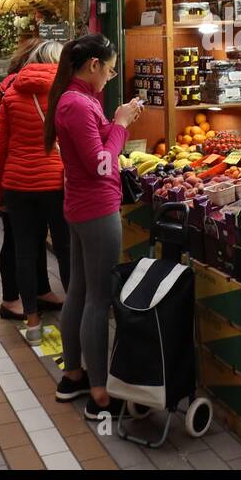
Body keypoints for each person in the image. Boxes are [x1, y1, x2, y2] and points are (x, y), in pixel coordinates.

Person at [46, 34, 142, 419]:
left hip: (80, 205)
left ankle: (74, 375)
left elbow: (96, 147)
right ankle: (100, 396)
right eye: (110, 67)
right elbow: (102, 163)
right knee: (97, 299)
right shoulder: (77, 104)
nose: (111, 74)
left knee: (81, 292)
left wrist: (120, 120)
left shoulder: (77, 100)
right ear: (93, 66)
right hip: (96, 208)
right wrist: (118, 125)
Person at [0, 40, 72, 339]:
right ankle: (73, 322)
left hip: (17, 184)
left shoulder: (12, 92)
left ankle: (32, 323)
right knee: (65, 249)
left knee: (24, 250)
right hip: (54, 182)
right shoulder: (66, 93)